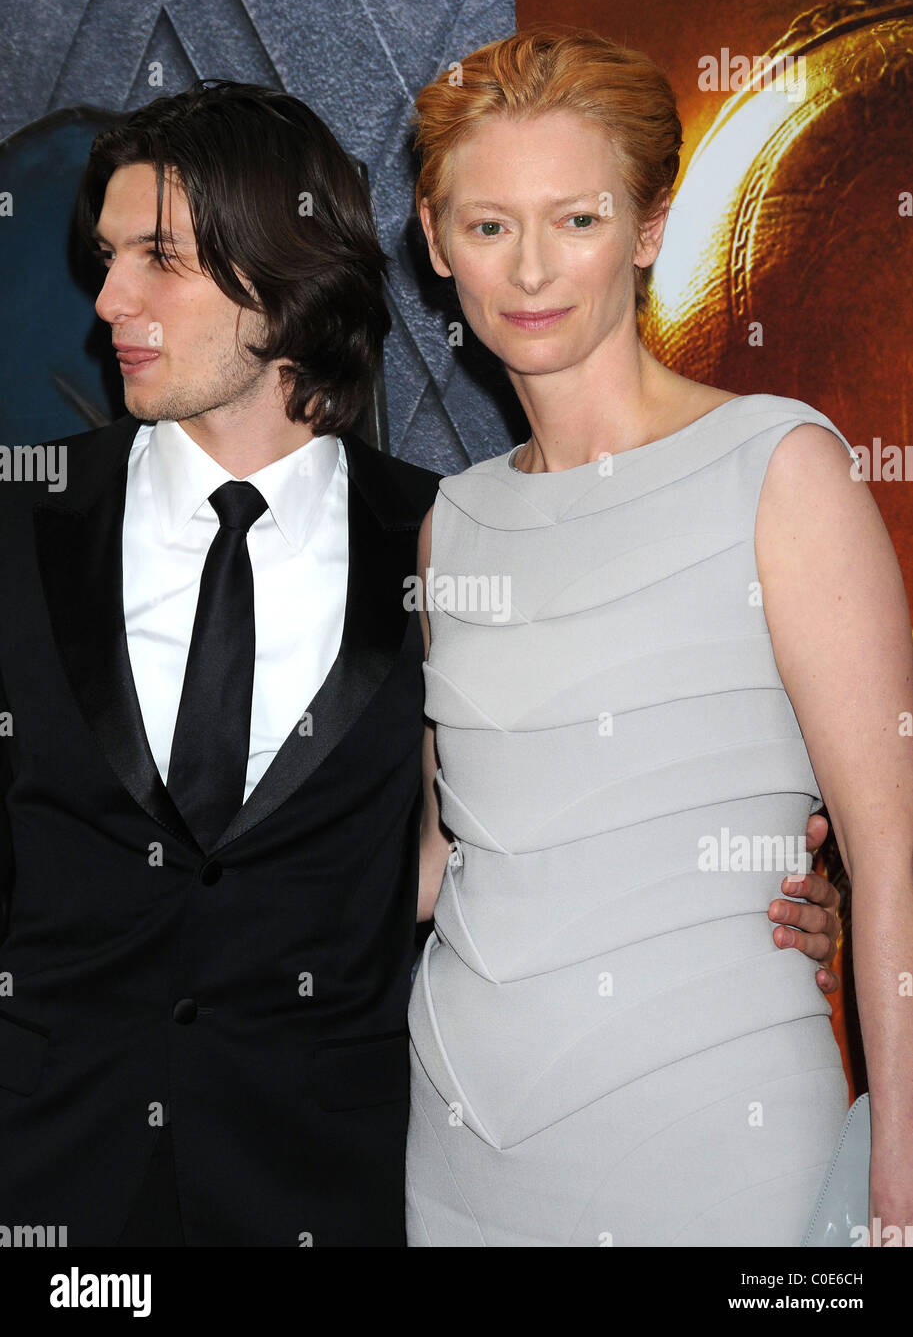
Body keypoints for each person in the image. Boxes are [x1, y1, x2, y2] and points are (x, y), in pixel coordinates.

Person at [0, 76, 840, 1249]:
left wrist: (766, 881)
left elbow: (508, 818)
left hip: (333, 1192)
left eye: (159, 258)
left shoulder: (445, 537)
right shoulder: (20, 521)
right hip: (47, 1198)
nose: (109, 300)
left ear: (287, 272)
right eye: (107, 255)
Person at [406, 26, 913, 1246]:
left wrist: (898, 1177)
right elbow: (443, 858)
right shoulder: (452, 522)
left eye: (575, 220)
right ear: (433, 244)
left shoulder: (777, 469)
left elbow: (893, 855)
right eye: (487, 225)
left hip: (713, 1129)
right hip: (459, 1142)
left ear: (643, 230)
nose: (530, 269)